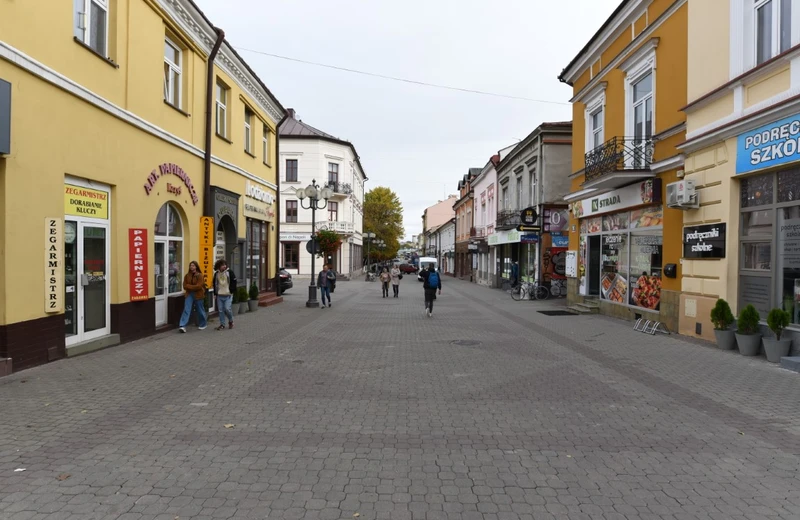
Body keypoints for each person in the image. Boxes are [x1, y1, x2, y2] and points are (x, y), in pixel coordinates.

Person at [179, 261, 206, 333]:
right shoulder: (187, 276)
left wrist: (189, 286)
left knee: (200, 310)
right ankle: (182, 325)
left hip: (198, 294)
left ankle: (203, 324)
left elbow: (199, 286)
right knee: (186, 309)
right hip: (189, 294)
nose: (192, 267)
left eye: (193, 265)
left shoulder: (200, 275)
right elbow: (185, 286)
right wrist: (190, 287)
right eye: (191, 265)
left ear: (196, 267)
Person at [213, 259, 237, 331]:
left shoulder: (230, 272)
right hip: (220, 295)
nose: (224, 266)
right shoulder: (216, 274)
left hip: (228, 294)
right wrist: (215, 293)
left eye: (225, 265)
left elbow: (234, 281)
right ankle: (222, 324)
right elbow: (215, 284)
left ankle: (231, 320)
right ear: (219, 266)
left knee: (227, 308)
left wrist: (231, 290)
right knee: (220, 310)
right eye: (222, 265)